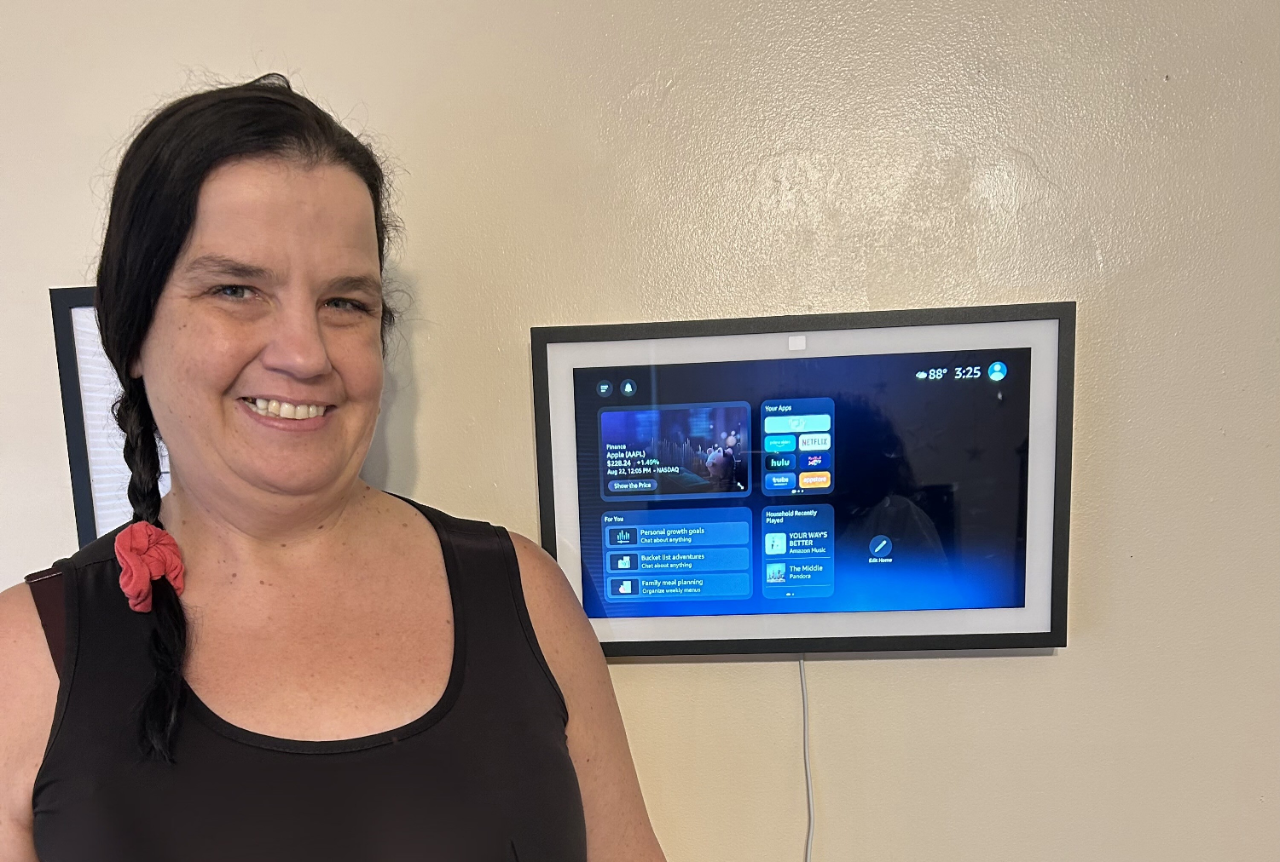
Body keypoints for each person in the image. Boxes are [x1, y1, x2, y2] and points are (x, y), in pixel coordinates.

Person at [0, 75, 666, 862]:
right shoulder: (25, 661)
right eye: (237, 289)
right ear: (134, 334)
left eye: (345, 302)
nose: (305, 355)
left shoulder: (524, 595)